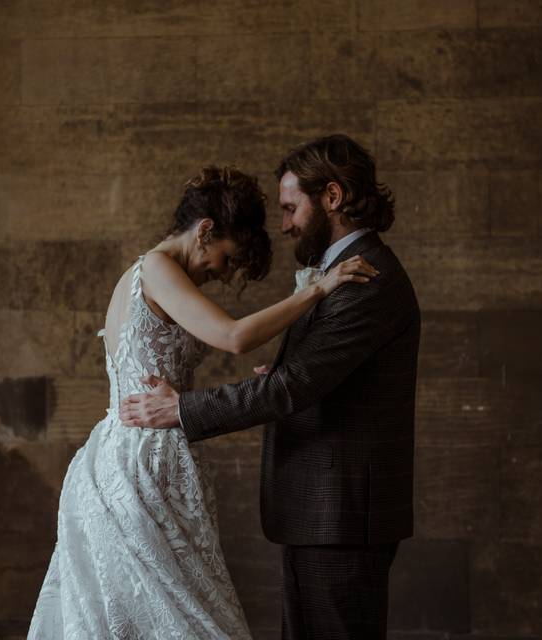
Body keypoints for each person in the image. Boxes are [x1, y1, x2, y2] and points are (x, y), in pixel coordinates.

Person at [26, 165, 377, 639]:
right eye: (227, 259)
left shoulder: (153, 273)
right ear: (205, 230)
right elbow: (233, 336)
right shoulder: (156, 267)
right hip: (139, 468)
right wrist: (318, 288)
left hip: (150, 458)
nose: (223, 274)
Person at [120, 134, 421, 639]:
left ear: (332, 197)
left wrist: (182, 410)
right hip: (321, 512)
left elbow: (293, 388)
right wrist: (286, 378)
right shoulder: (342, 273)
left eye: (290, 208)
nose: (284, 226)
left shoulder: (366, 278)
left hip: (342, 515)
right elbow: (310, 380)